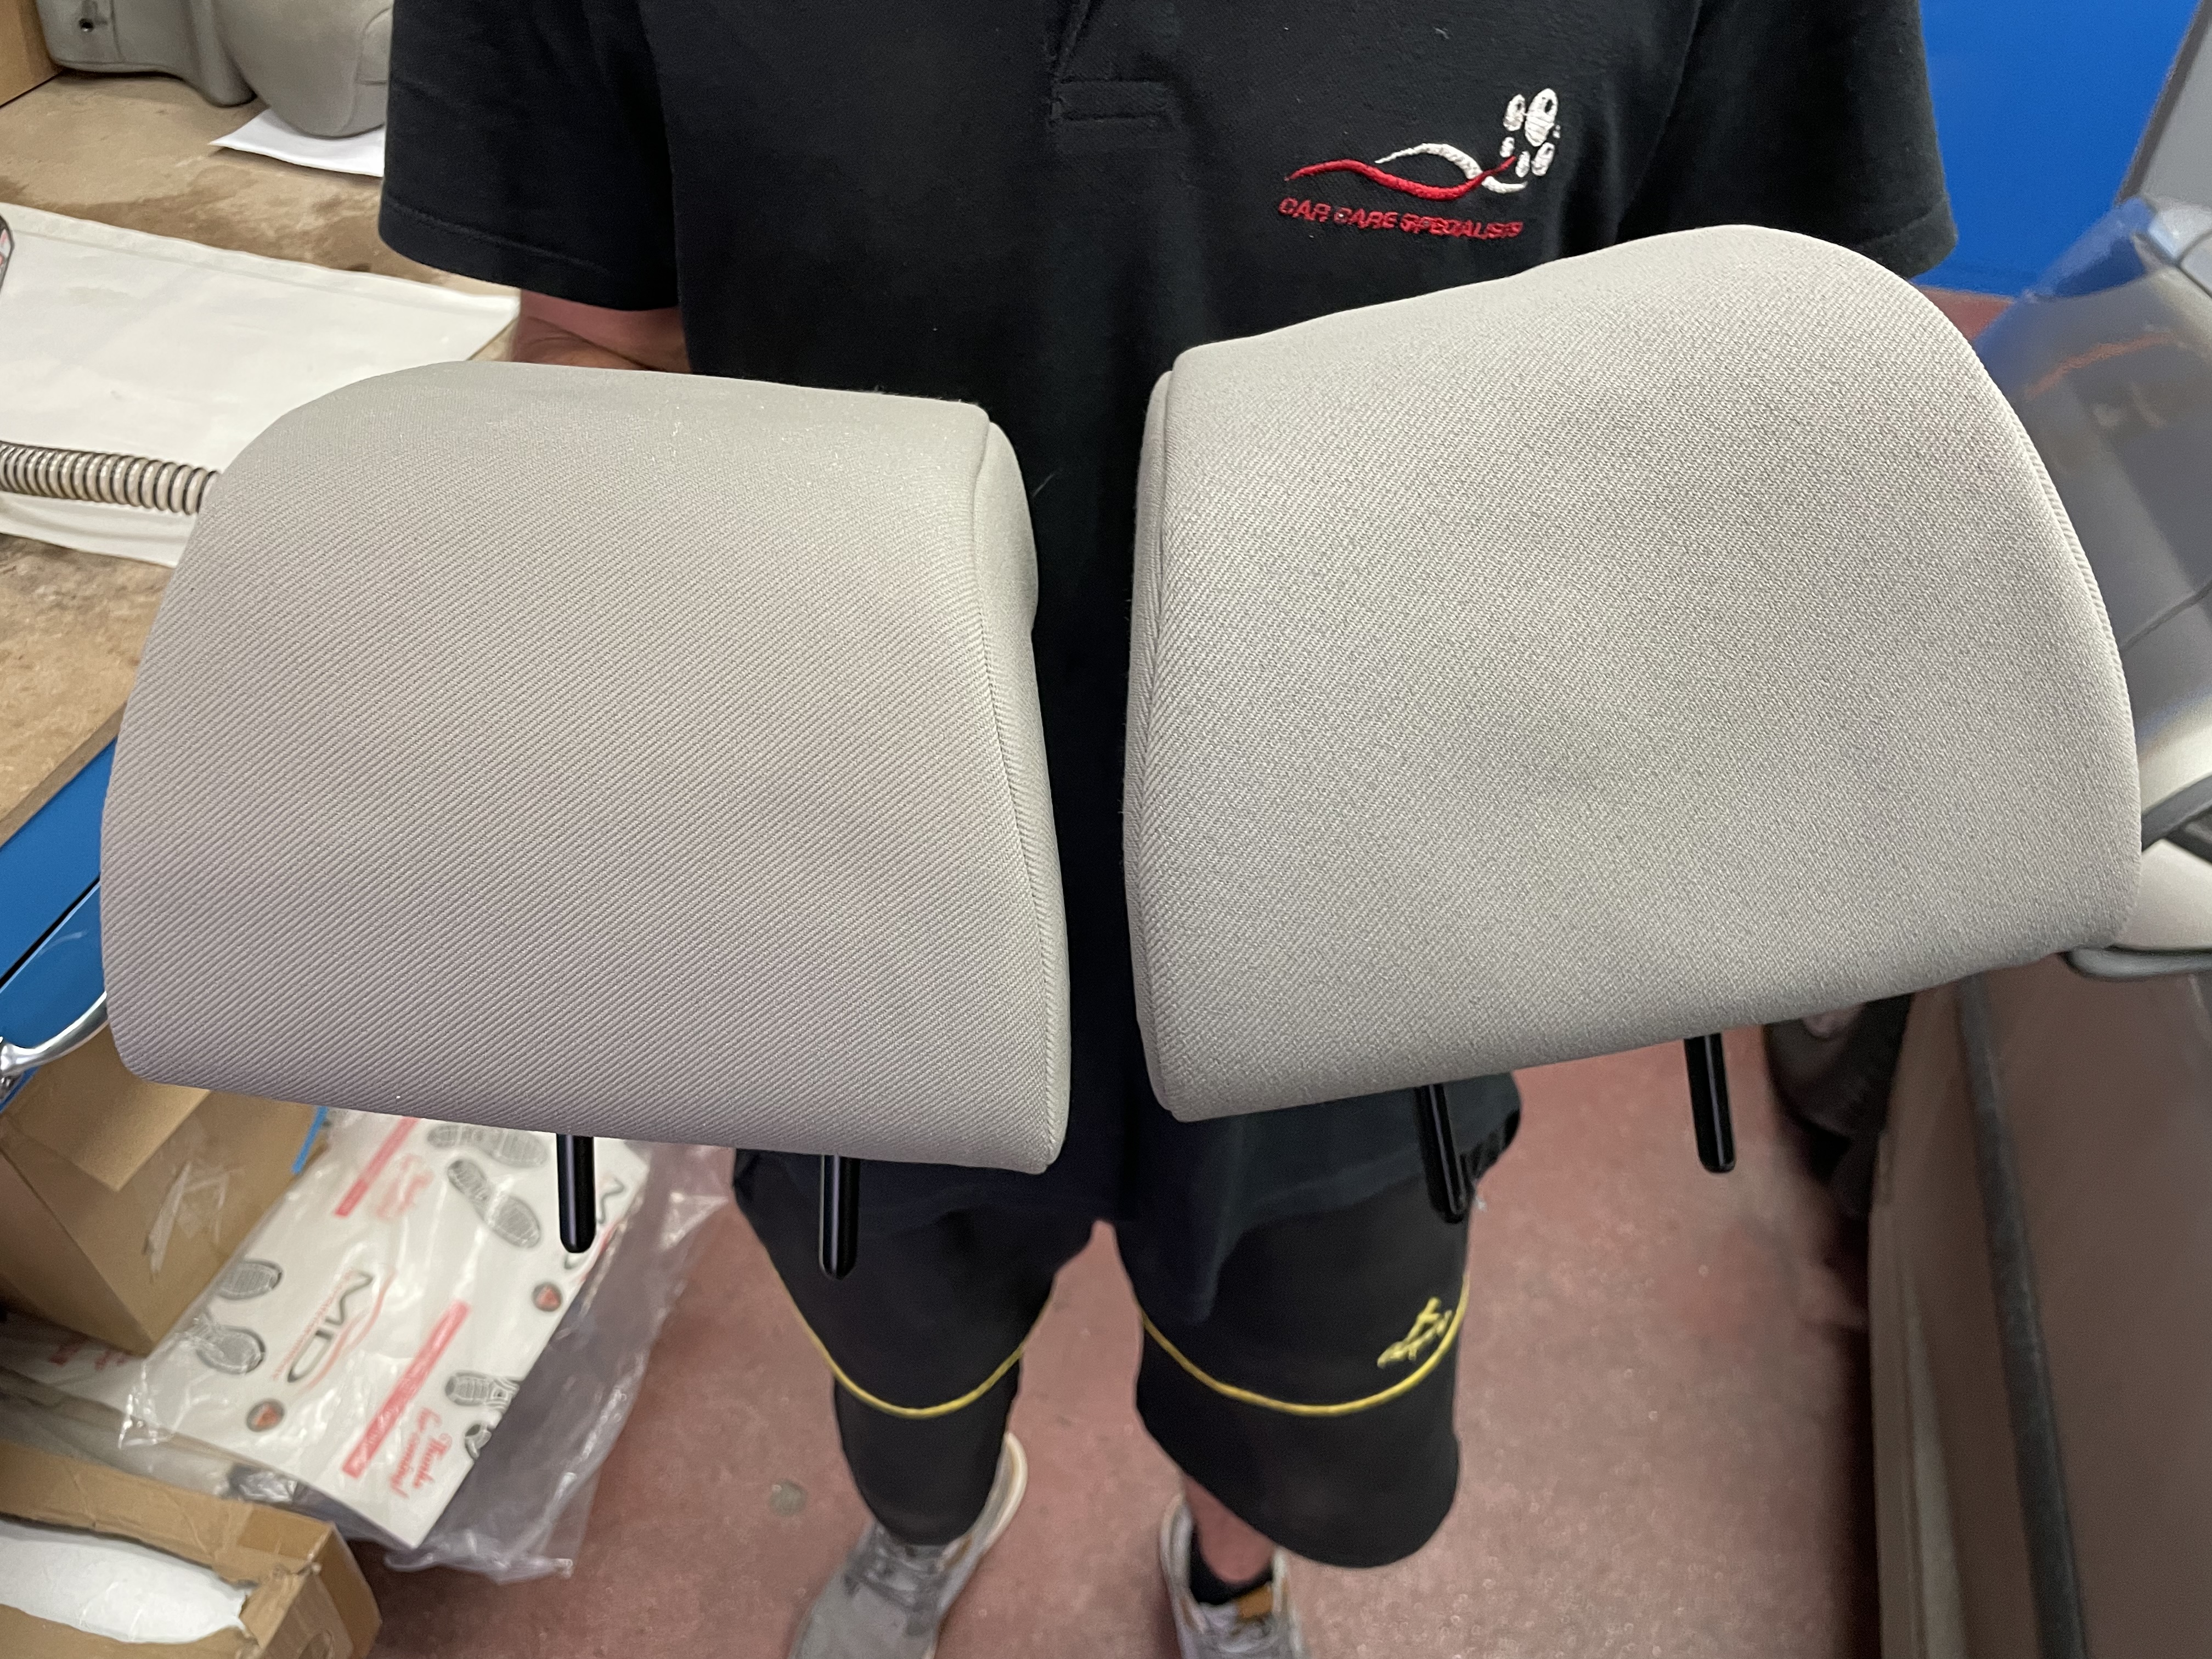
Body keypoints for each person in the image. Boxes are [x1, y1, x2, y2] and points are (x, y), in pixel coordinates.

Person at [380, 5, 1954, 1653]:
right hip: (860, 895)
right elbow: (603, 347)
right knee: (906, 1383)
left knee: (1307, 1430)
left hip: (1366, 923)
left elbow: (1762, 398)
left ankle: (1232, 1575)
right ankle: (931, 1526)